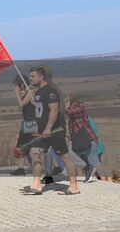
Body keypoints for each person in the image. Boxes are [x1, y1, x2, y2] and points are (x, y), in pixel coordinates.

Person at [23, 66, 79, 195]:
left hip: (54, 131)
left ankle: (74, 186)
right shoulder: (38, 92)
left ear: (41, 77)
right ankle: (36, 184)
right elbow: (40, 110)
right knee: (34, 152)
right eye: (30, 76)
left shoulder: (50, 91)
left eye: (33, 76)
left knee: (64, 157)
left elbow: (54, 110)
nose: (30, 79)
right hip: (41, 132)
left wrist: (48, 128)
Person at [65, 94, 101, 183]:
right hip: (79, 138)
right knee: (71, 153)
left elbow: (69, 112)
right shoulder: (72, 109)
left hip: (88, 137)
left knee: (93, 160)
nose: (66, 99)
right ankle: (87, 168)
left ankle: (102, 179)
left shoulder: (80, 106)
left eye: (67, 97)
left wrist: (66, 105)